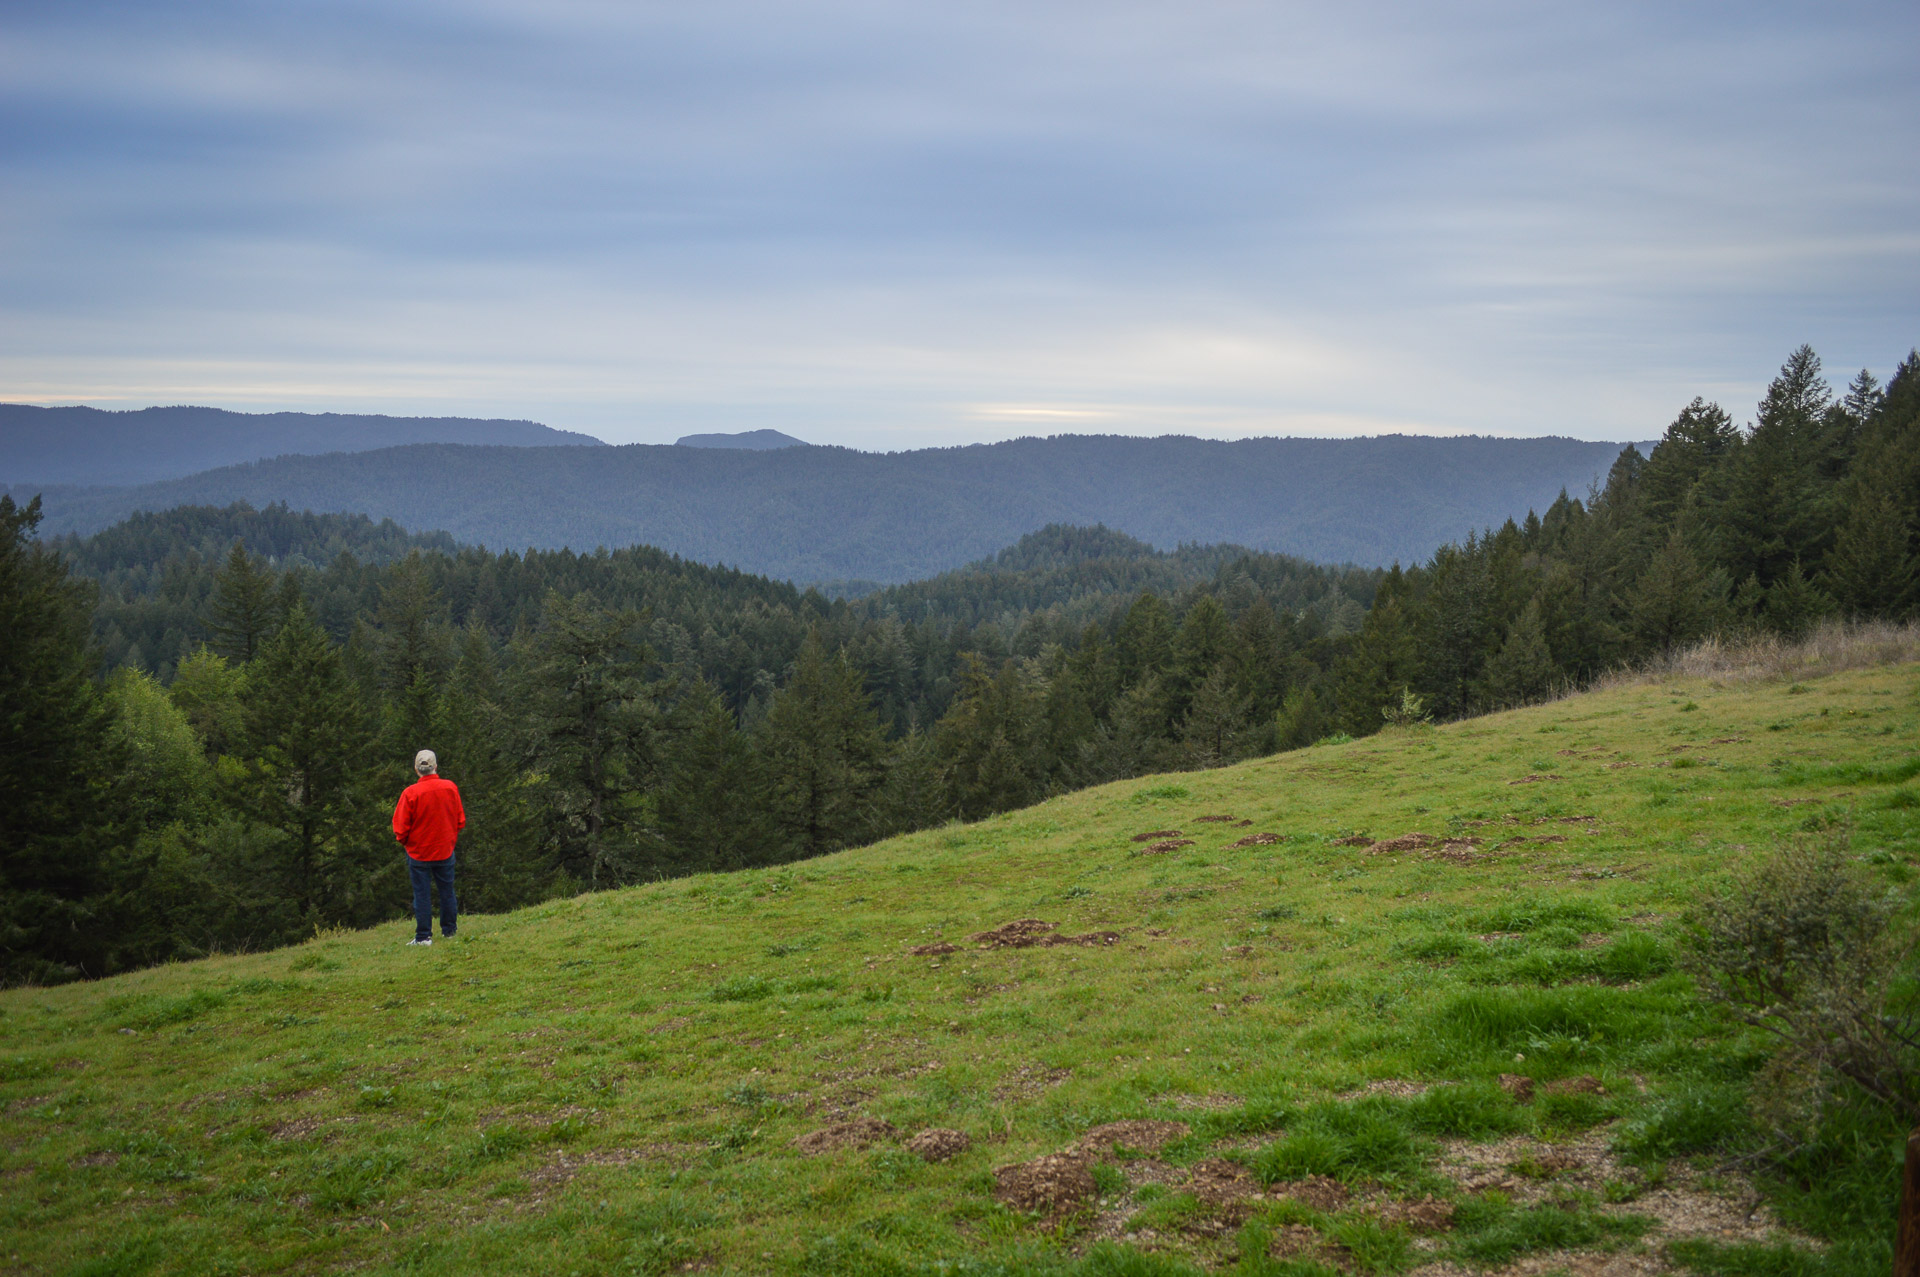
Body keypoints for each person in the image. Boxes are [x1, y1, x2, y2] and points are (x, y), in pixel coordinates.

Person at [392, 749, 465, 946]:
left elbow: (400, 827)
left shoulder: (410, 793)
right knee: (447, 891)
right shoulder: (450, 788)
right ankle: (449, 930)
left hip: (418, 853)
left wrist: (407, 842)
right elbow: (460, 819)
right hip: (444, 850)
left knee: (422, 894)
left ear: (417, 769)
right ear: (435, 767)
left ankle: (424, 936)